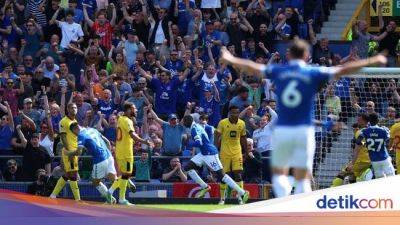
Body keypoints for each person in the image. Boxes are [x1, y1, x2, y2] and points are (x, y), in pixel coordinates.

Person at [220, 39, 387, 197]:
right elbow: (343, 70)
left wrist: (230, 57)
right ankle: (302, 206)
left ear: (289, 55)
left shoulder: (280, 71)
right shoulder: (312, 71)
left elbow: (252, 67)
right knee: (303, 175)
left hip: (284, 130)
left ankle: (283, 197)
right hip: (304, 131)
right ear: (307, 55)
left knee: (279, 174)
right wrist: (371, 60)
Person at [182, 115, 249, 204]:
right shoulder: (196, 126)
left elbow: (199, 142)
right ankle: (204, 187)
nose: (182, 123)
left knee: (221, 175)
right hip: (204, 153)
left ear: (187, 121)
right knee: (187, 167)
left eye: (183, 122)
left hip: (210, 153)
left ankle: (242, 192)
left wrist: (188, 143)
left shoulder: (194, 129)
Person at [108, 102, 152, 205]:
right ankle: (118, 197)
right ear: (128, 110)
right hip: (125, 152)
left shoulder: (121, 119)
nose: (136, 110)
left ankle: (112, 193)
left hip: (121, 151)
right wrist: (144, 141)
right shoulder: (127, 121)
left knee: (125, 175)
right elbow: (132, 135)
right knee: (126, 175)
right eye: (134, 108)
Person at [71, 123, 117, 204]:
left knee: (95, 182)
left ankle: (110, 199)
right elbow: (107, 141)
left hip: (99, 160)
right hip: (109, 156)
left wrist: (69, 154)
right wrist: (108, 152)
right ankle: (126, 181)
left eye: (73, 132)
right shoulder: (93, 129)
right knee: (114, 179)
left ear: (75, 129)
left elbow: (79, 152)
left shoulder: (81, 135)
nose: (74, 134)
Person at [215, 105, 247, 204]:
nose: (235, 114)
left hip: (237, 152)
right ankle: (222, 199)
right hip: (224, 152)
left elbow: (243, 137)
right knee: (224, 176)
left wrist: (246, 151)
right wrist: (216, 149)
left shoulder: (242, 123)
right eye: (233, 113)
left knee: (238, 175)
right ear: (229, 113)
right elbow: (217, 136)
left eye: (237, 112)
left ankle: (240, 197)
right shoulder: (223, 123)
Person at [50, 103, 81, 201]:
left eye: (75, 107)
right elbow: (63, 137)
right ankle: (78, 199)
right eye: (72, 108)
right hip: (69, 151)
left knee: (68, 174)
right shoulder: (63, 121)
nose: (74, 109)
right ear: (68, 109)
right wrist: (70, 152)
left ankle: (53, 195)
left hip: (74, 150)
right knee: (73, 174)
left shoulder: (75, 121)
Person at [352, 113, 395, 178]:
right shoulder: (383, 130)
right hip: (384, 158)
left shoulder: (364, 131)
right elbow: (390, 141)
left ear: (369, 121)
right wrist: (390, 148)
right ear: (378, 120)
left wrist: (353, 162)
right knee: (391, 178)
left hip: (374, 160)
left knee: (379, 180)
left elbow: (358, 144)